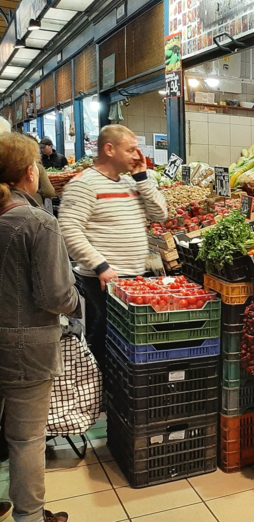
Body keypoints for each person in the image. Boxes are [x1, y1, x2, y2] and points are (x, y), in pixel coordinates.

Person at [0, 132, 79, 522]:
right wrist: (83, 304)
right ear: (30, 171)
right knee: (27, 437)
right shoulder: (38, 222)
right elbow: (56, 296)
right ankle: (30, 516)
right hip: (26, 346)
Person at [58, 125, 168, 362]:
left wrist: (142, 178)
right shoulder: (83, 185)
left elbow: (160, 214)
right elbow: (69, 231)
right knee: (107, 338)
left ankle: (120, 389)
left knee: (126, 341)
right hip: (105, 279)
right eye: (130, 150)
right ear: (109, 149)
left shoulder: (130, 184)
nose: (137, 156)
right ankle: (102, 390)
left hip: (134, 279)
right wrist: (100, 265)